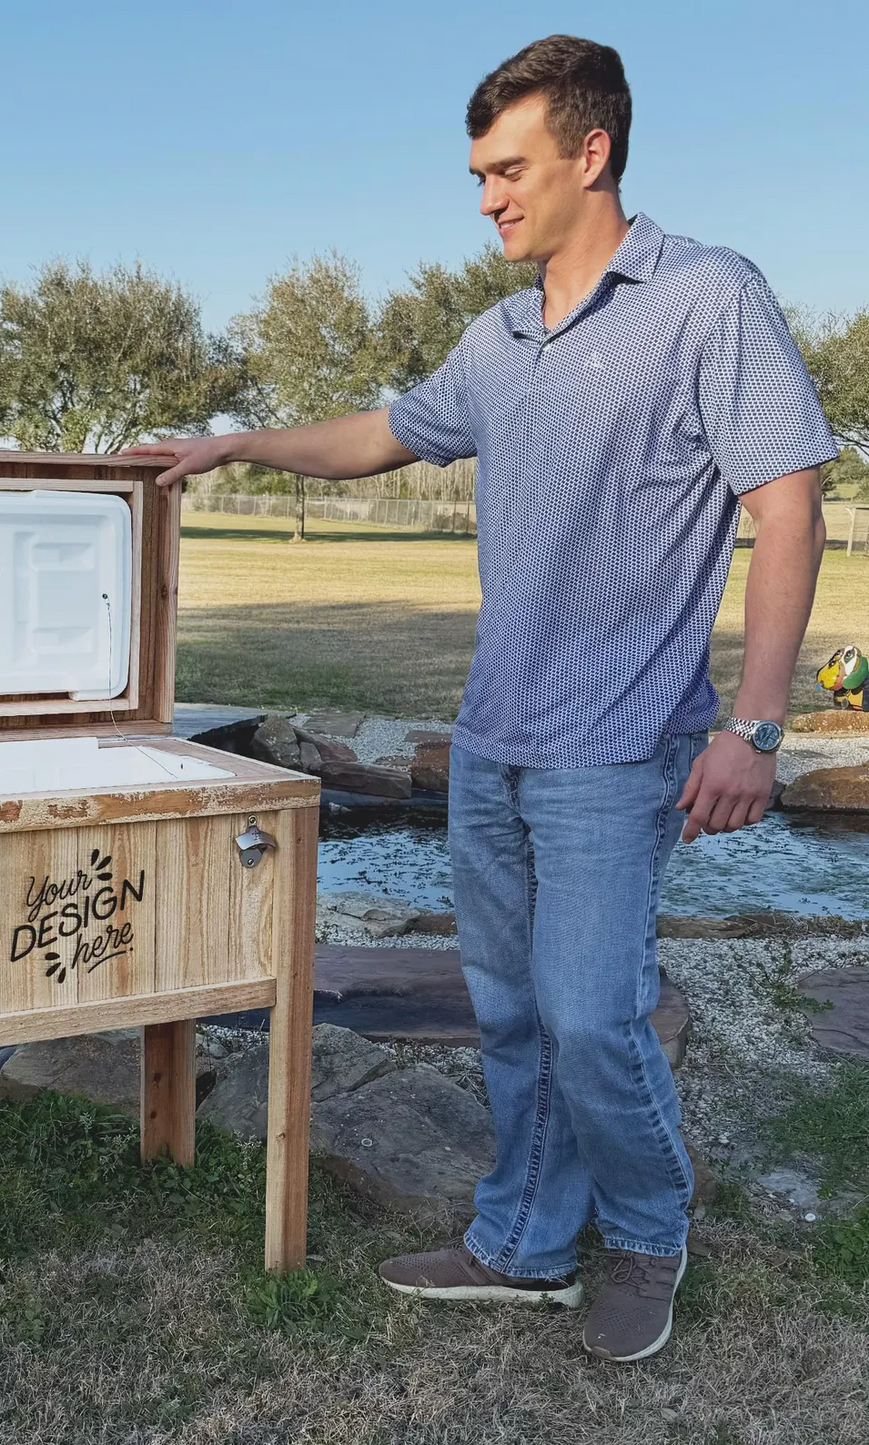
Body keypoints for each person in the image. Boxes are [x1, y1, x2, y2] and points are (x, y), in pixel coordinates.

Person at [122, 34, 835, 1363]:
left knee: (589, 1013)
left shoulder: (704, 299)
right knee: (510, 1011)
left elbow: (786, 504)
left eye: (508, 169)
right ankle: (522, 1240)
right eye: (477, 175)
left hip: (622, 747)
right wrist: (234, 442)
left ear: (591, 152)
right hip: (496, 736)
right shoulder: (499, 340)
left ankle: (648, 1230)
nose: (489, 197)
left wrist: (754, 722)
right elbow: (382, 435)